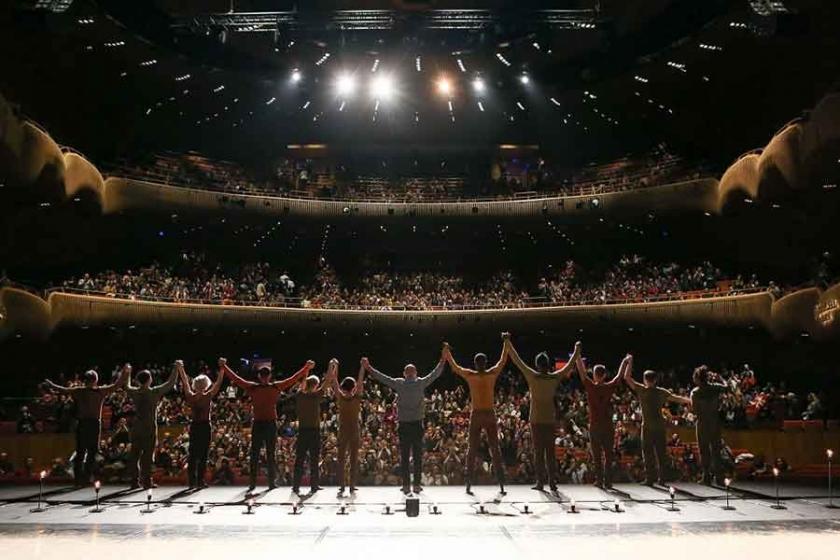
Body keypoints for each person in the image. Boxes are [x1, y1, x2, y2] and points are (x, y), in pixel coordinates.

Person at [362, 345, 446, 494]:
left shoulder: (399, 383)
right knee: (417, 457)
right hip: (416, 425)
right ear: (415, 373)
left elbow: (382, 378)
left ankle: (407, 485)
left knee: (405, 456)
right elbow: (436, 374)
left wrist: (369, 368)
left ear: (404, 373)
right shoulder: (420, 382)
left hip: (405, 426)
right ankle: (416, 485)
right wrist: (443, 359)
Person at [222, 357, 314, 493]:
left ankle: (271, 483)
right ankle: (253, 484)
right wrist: (224, 367)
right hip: (259, 424)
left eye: (266, 375)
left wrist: (306, 368)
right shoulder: (255, 387)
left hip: (270, 424)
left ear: (269, 376)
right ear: (260, 376)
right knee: (254, 454)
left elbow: (293, 379)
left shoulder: (274, 386)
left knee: (271, 454)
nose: (264, 378)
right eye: (263, 375)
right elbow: (236, 379)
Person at [504, 334, 581, 491]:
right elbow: (569, 365)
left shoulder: (532, 376)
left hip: (536, 420)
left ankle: (541, 483)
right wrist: (576, 350)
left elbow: (517, 360)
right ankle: (552, 483)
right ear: (547, 365)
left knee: (539, 454)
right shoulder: (553, 378)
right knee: (550, 453)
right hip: (549, 420)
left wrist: (507, 342)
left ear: (537, 365)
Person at [45, 365, 131, 486]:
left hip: (83, 423)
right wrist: (125, 373)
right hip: (94, 424)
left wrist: (51, 384)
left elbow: (62, 389)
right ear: (96, 380)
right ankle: (85, 478)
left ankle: (78, 479)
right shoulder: (100, 391)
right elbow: (117, 385)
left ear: (85, 380)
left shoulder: (79, 391)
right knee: (91, 452)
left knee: (81, 452)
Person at [444, 335, 509, 495]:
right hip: (481, 413)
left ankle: (497, 483)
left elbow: (502, 360)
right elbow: (456, 367)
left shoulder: (485, 374)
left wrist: (506, 343)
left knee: (491, 448)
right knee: (478, 449)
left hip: (484, 413)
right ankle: (472, 483)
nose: (479, 365)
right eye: (478, 363)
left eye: (481, 362)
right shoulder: (478, 374)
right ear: (478, 363)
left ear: (483, 363)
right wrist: (447, 353)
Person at [624, 364, 691, 485]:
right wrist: (689, 400)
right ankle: (662, 480)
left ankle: (650, 479)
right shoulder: (661, 392)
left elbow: (627, 378)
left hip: (647, 428)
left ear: (645, 380)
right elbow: (676, 398)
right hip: (659, 427)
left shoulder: (641, 389)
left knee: (648, 454)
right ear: (655, 380)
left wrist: (628, 362)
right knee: (661, 453)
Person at [578, 353, 629, 489]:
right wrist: (624, 362)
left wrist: (577, 356)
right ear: (605, 375)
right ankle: (608, 481)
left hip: (594, 426)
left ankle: (599, 481)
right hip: (607, 426)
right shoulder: (609, 387)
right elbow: (618, 377)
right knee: (608, 455)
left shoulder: (590, 386)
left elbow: (582, 373)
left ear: (594, 374)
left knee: (597, 456)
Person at [126, 364, 178, 489]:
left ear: (138, 380)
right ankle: (147, 482)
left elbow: (126, 386)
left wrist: (128, 372)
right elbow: (170, 383)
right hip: (149, 427)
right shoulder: (154, 392)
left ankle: (134, 482)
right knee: (147, 456)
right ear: (149, 379)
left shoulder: (134, 392)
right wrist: (176, 368)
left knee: (135, 455)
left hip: (136, 427)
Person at [292, 359, 337, 495]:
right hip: (313, 431)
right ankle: (314, 486)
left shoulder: (299, 395)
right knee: (314, 459)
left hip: (302, 431)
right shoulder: (316, 395)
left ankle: (295, 486)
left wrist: (307, 369)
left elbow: (303, 383)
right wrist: (331, 366)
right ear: (316, 385)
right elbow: (328, 380)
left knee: (299, 459)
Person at [178, 361, 225, 489]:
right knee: (203, 455)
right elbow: (218, 383)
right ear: (206, 385)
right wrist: (222, 369)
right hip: (204, 426)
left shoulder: (190, 396)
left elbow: (185, 382)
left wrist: (181, 368)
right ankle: (200, 482)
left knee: (193, 454)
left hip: (195, 426)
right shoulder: (208, 396)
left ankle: (192, 482)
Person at [329, 359, 366, 495]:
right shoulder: (350, 397)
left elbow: (336, 382)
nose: (347, 393)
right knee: (342, 458)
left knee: (353, 459)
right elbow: (334, 382)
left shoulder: (347, 397)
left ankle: (350, 485)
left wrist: (362, 368)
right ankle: (343, 485)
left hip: (349, 431)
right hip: (347, 431)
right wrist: (336, 367)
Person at [690, 365, 729, 485]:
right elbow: (726, 387)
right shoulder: (716, 387)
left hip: (702, 423)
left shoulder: (695, 392)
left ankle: (706, 477)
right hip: (715, 422)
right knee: (716, 450)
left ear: (697, 378)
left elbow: (694, 410)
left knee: (704, 451)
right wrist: (720, 378)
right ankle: (720, 478)